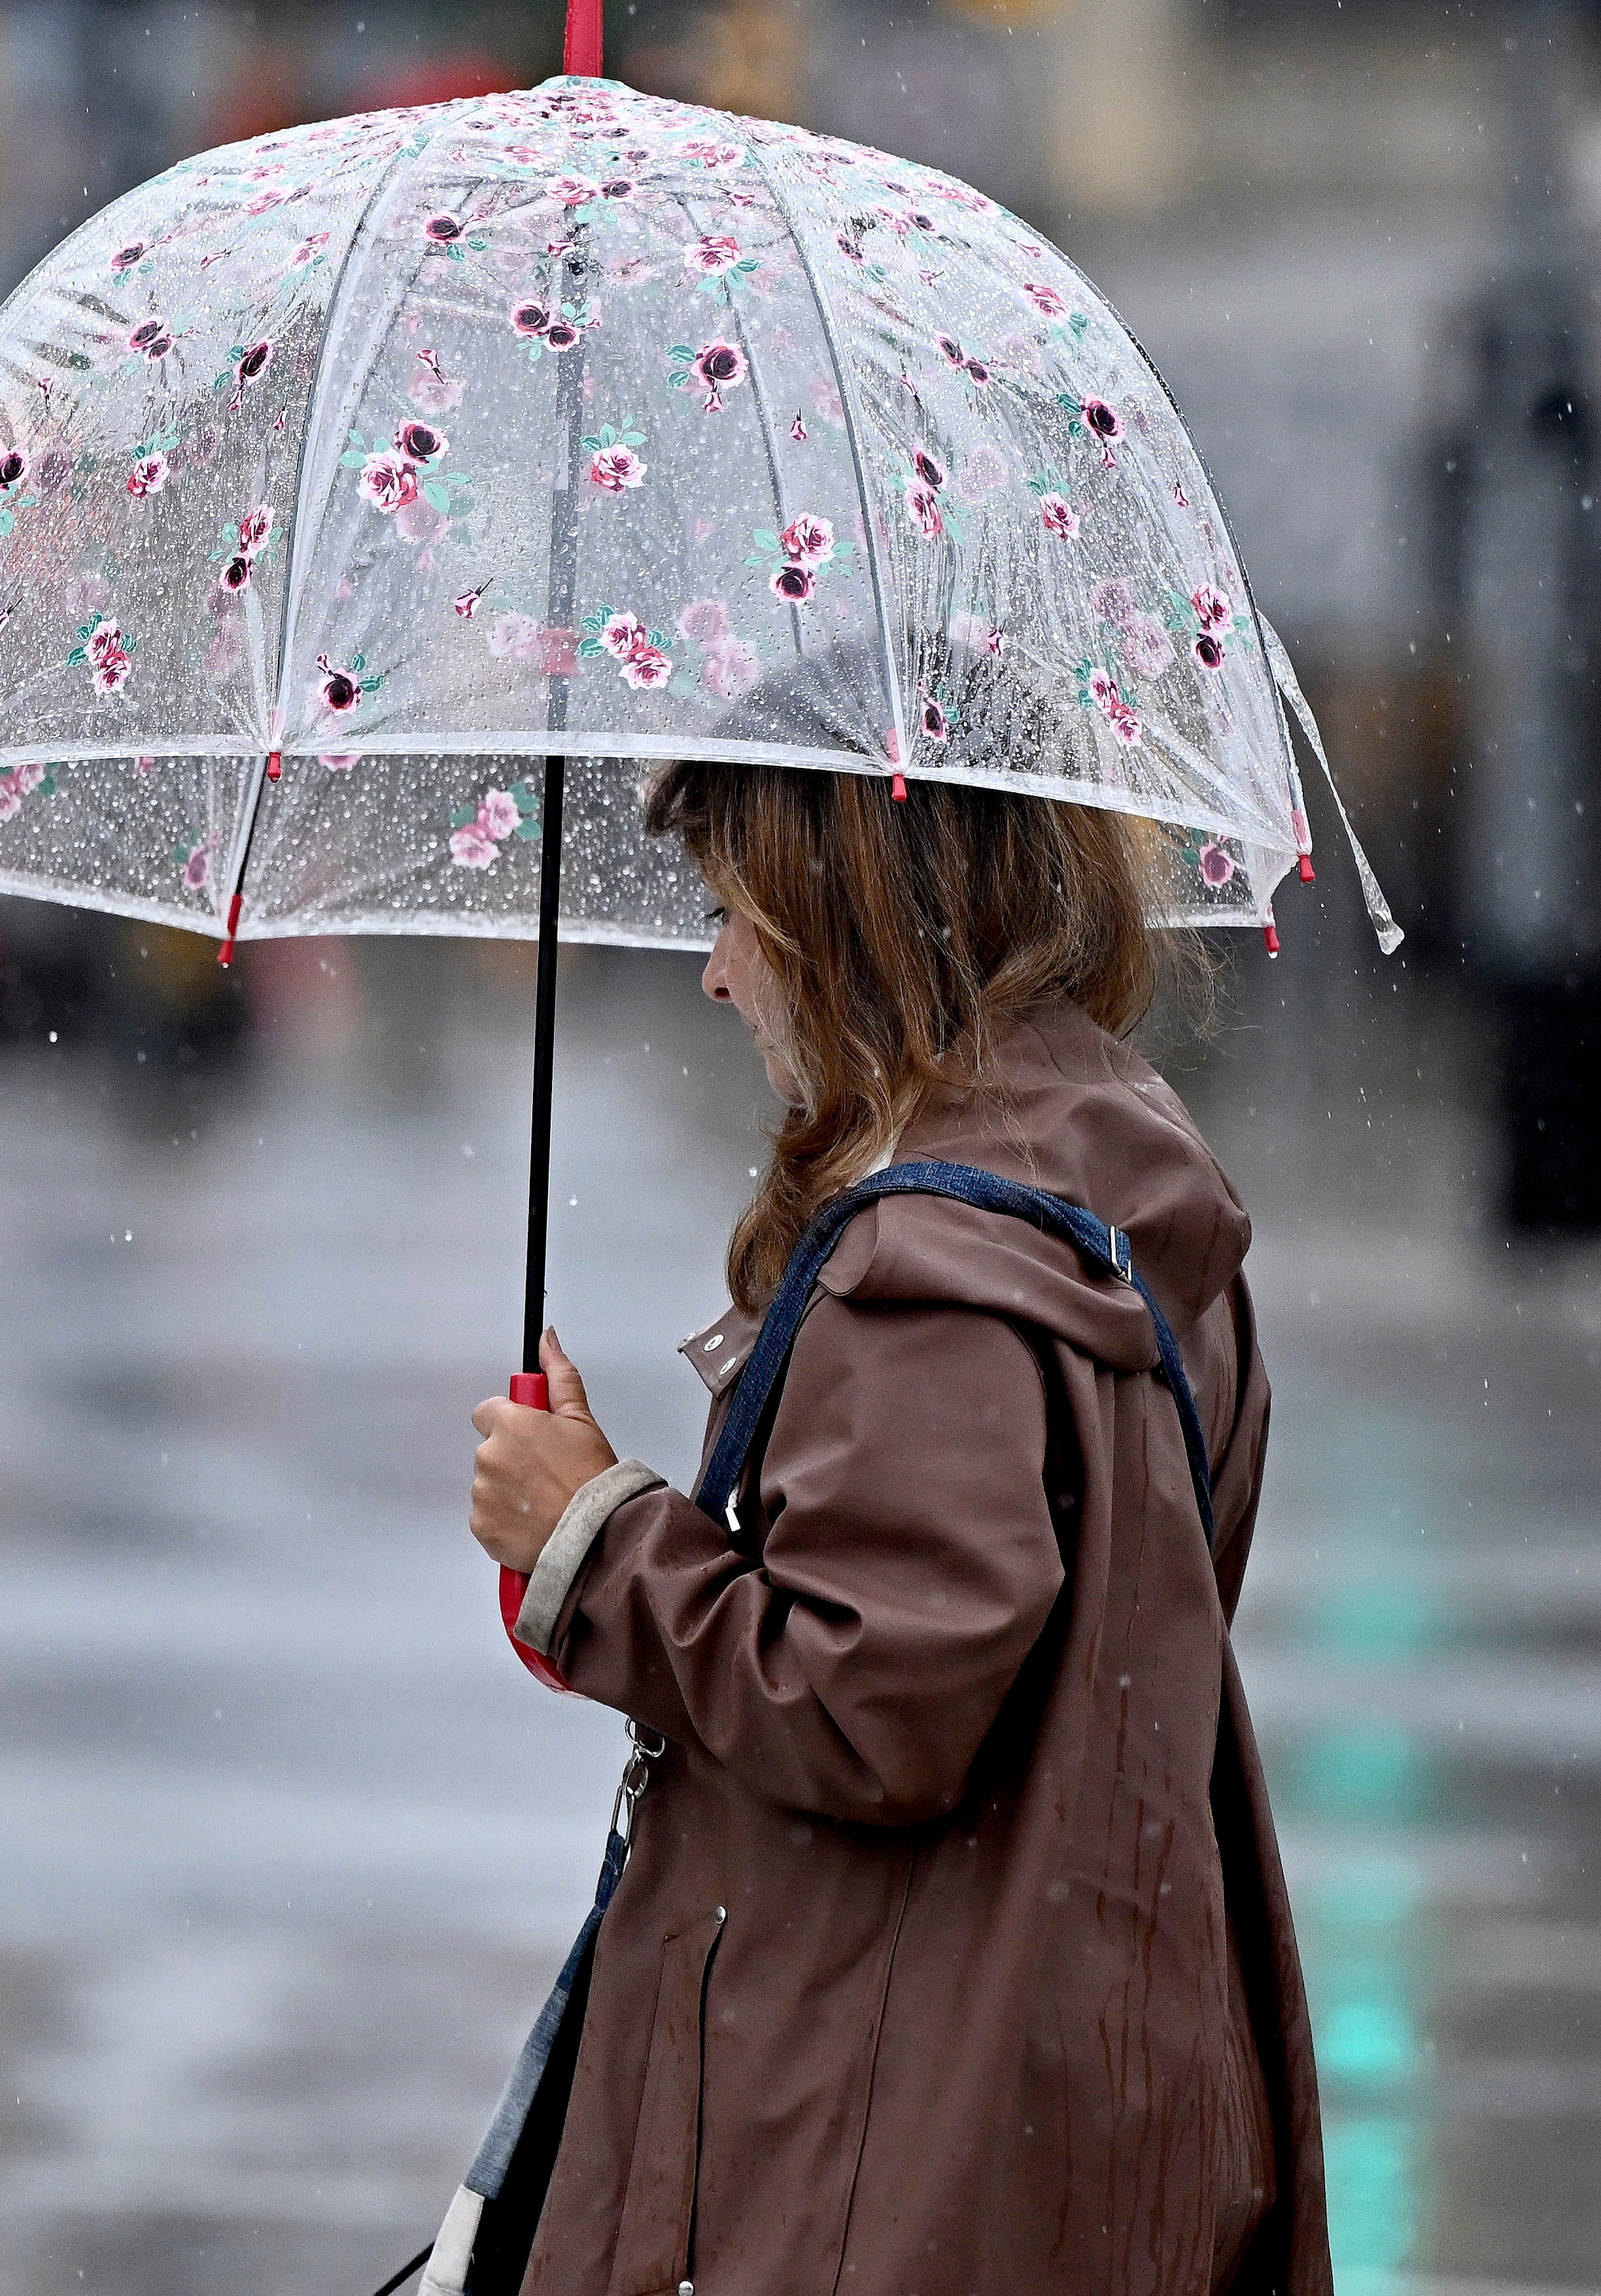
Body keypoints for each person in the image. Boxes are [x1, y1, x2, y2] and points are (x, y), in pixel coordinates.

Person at [465, 761, 1326, 2296]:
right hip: (1093, 2076)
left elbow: (869, 1707)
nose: (718, 970)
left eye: (736, 912)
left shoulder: (926, 1259)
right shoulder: (1132, 1197)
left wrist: (589, 1530)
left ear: (839, 908)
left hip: (888, 2133)